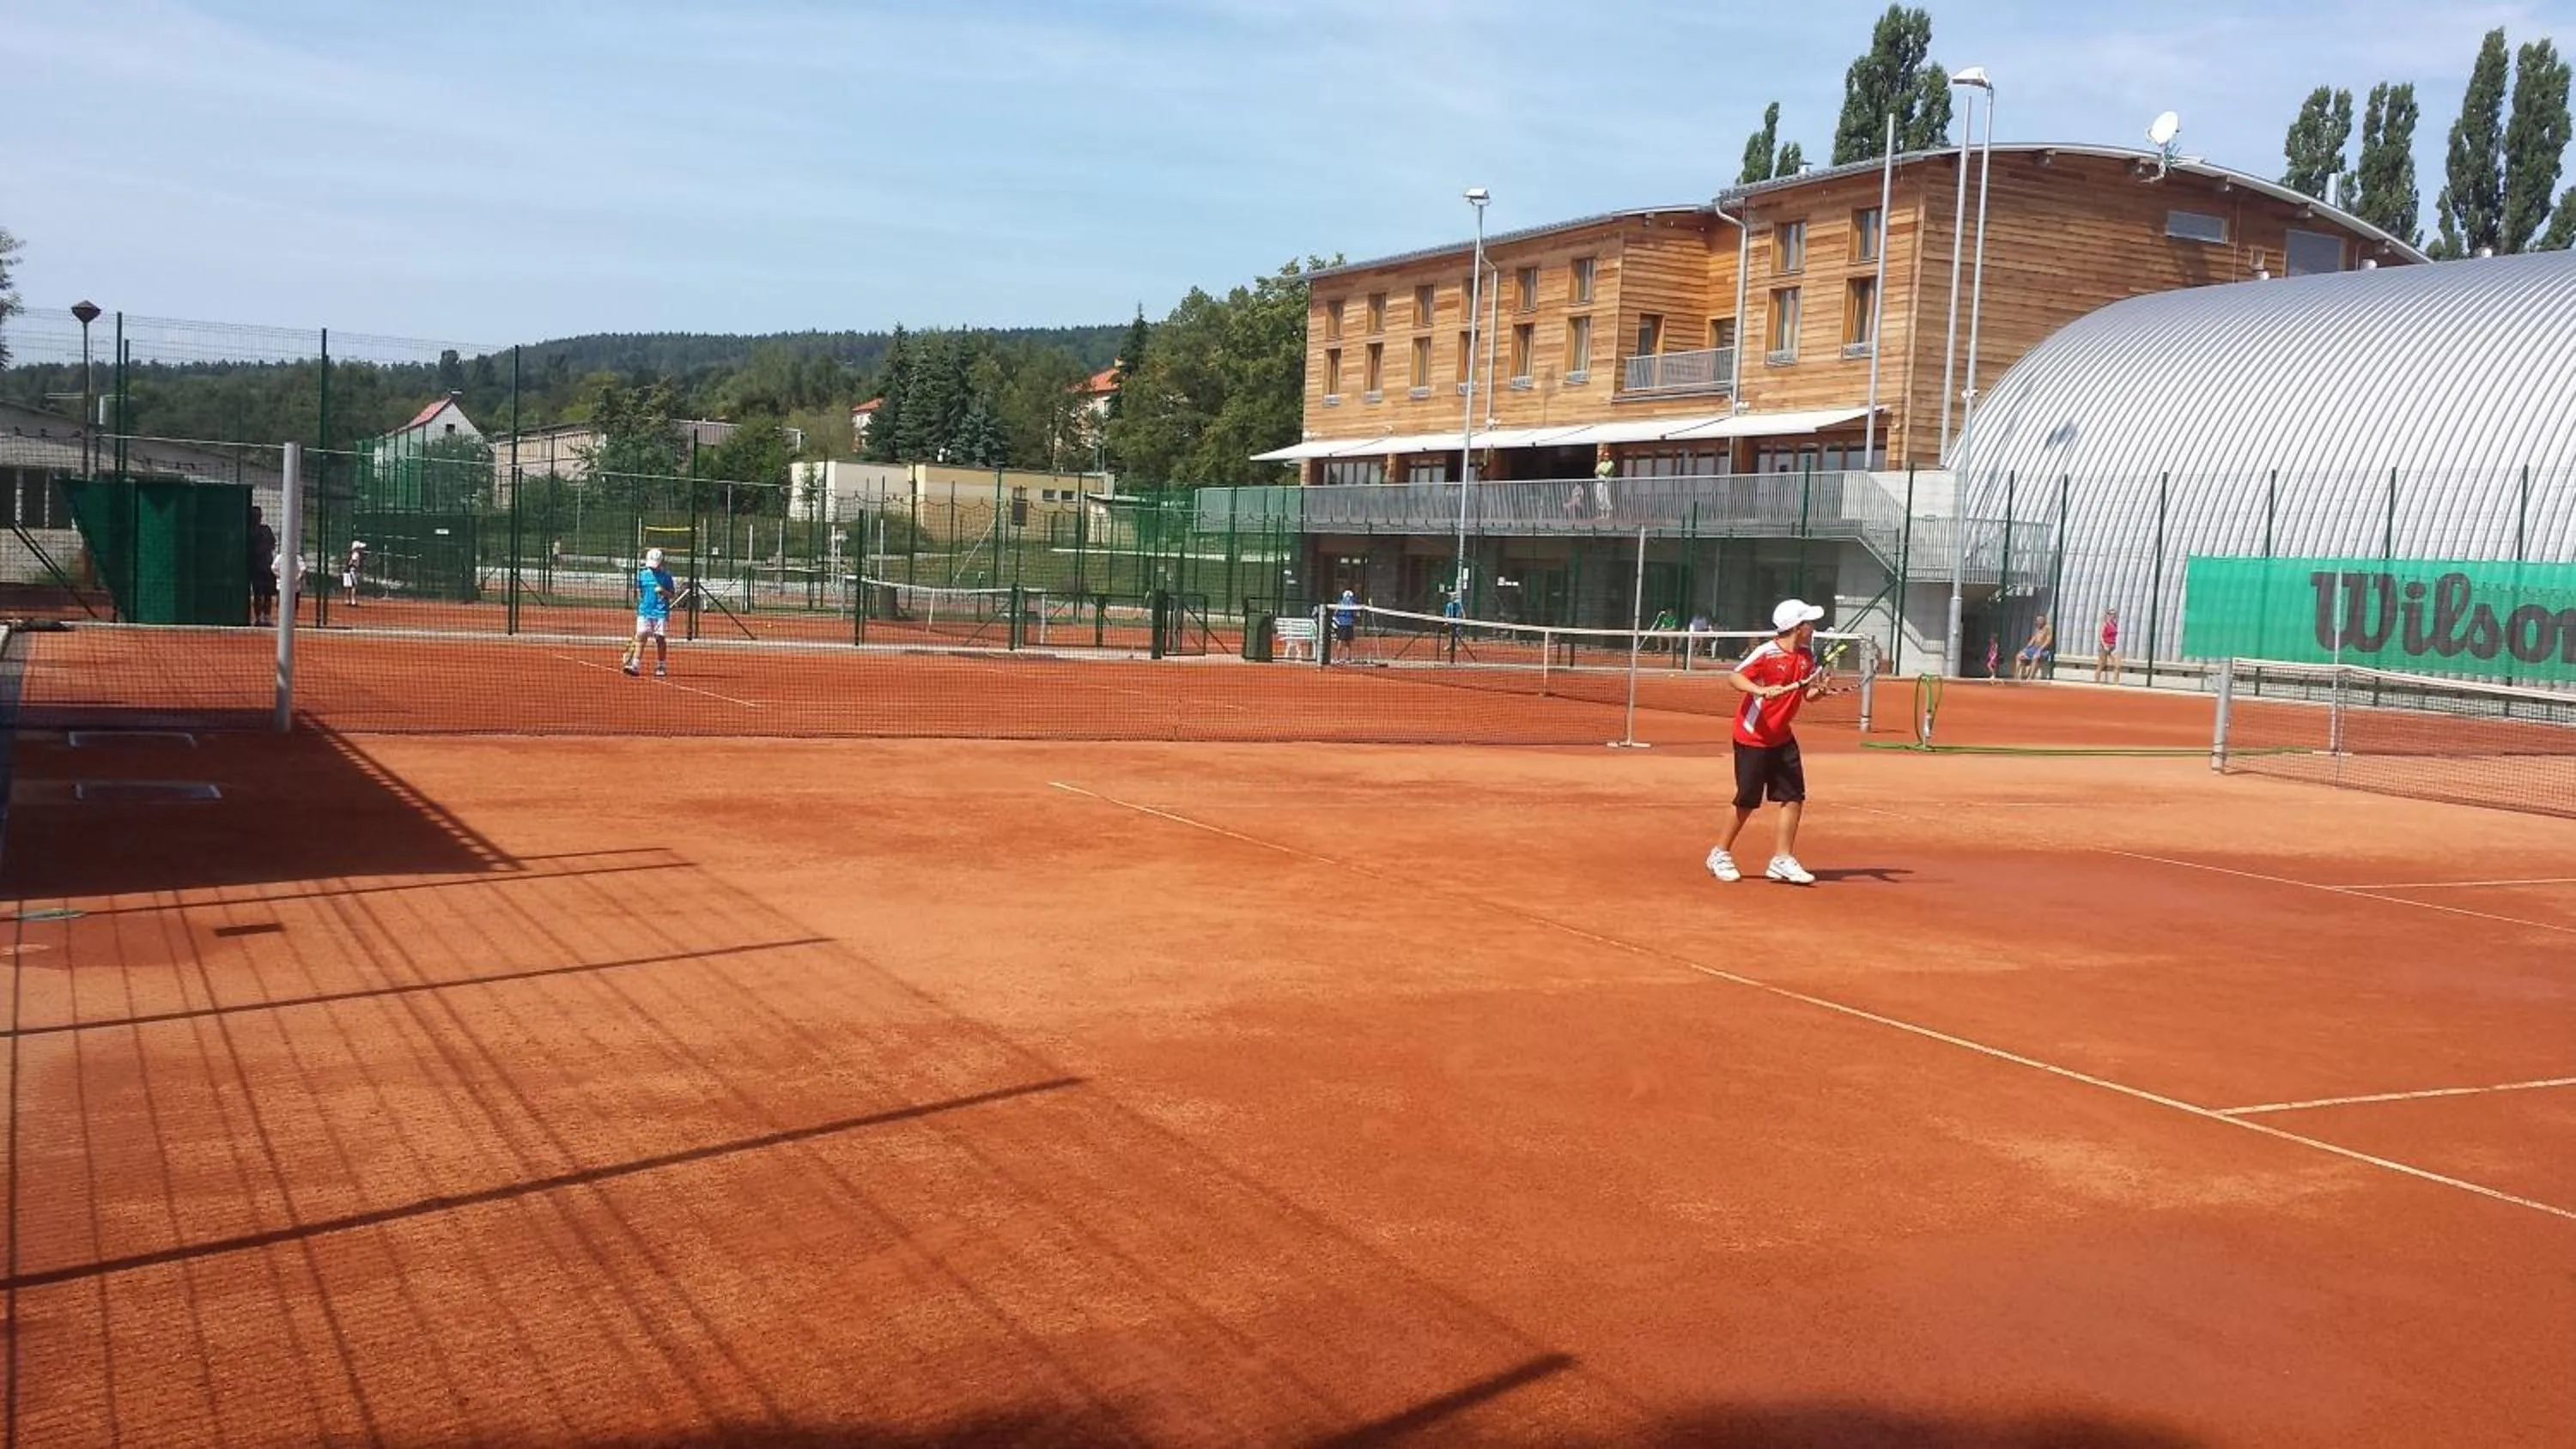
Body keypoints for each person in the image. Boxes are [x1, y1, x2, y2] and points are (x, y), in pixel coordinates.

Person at [1706, 598, 1834, 886]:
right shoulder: (1766, 653)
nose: (1813, 628)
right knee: (1747, 799)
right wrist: (1760, 690)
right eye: (1809, 624)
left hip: (1782, 736)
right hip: (1752, 736)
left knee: (1793, 797)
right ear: (1797, 628)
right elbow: (1734, 677)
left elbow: (1807, 695)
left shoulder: (1805, 657)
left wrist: (1820, 692)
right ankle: (1719, 854)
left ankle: (1782, 859)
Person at [624, 546, 677, 677]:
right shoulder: (642, 575)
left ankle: (661, 665)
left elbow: (672, 595)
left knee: (660, 639)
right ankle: (635, 665)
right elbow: (640, 592)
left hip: (660, 613)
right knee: (641, 636)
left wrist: (663, 592)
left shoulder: (666, 577)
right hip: (645, 611)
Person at [248, 506, 278, 626]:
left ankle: (266, 618)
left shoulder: (266, 529)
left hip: (267, 567)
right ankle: (259, 618)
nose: (258, 518)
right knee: (258, 594)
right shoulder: (250, 530)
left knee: (267, 594)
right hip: (257, 567)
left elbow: (273, 543)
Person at [2015, 613, 2056, 680]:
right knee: (2019, 656)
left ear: (2044, 620)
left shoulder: (2048, 628)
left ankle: (2030, 677)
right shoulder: (2036, 629)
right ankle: (2017, 676)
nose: (2039, 622)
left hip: (2044, 650)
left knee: (2035, 657)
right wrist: (2025, 649)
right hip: (2034, 648)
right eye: (2038, 620)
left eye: (2041, 620)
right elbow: (2032, 640)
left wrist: (2040, 649)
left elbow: (2048, 640)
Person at [2094, 607, 2122, 683]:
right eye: (2111, 614)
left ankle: (2116, 683)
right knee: (2101, 664)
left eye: (2114, 614)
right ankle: (2096, 682)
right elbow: (2101, 636)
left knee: (2117, 665)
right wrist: (2105, 645)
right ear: (2108, 615)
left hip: (2112, 646)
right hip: (2104, 646)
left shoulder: (2114, 624)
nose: (2112, 616)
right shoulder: (2105, 624)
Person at [1330, 588, 1358, 660]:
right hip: (1348, 624)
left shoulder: (1340, 603)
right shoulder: (1352, 603)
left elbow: (1335, 613)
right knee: (1347, 642)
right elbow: (1356, 614)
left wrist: (1336, 620)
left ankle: (1338, 658)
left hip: (1342, 624)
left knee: (1340, 640)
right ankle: (1347, 657)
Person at [341, 540, 367, 608]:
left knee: (348, 586)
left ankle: (347, 600)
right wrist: (355, 567)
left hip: (347, 571)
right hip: (351, 571)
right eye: (360, 548)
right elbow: (351, 562)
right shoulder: (356, 554)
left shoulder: (352, 553)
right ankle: (353, 601)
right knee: (354, 586)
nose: (362, 549)